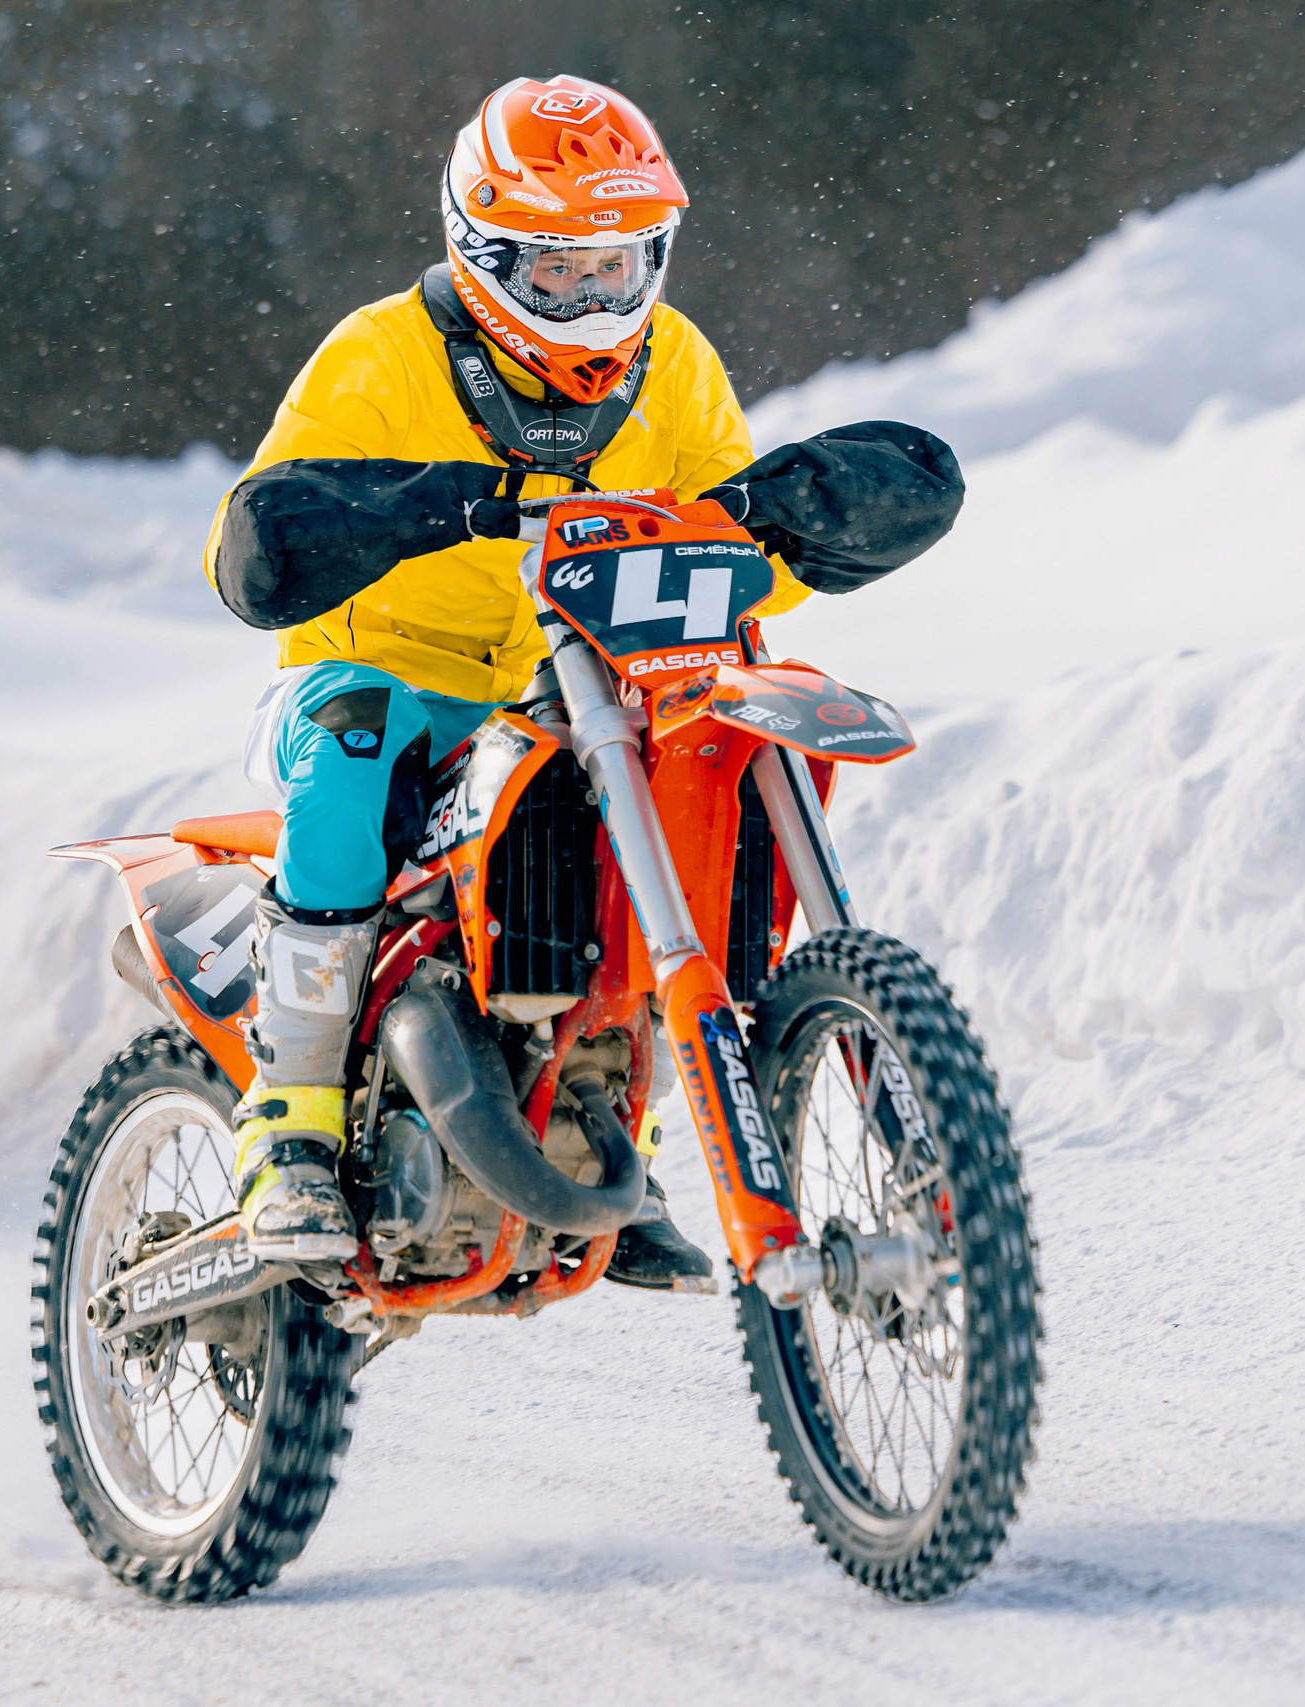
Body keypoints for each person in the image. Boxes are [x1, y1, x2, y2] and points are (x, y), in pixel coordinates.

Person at [204, 76, 961, 1283]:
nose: (594, 298)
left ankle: (619, 1123)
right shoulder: (381, 354)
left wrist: (773, 520)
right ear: (483, 254)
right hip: (391, 680)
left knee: (689, 776)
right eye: (558, 271)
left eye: (617, 266)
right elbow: (254, 544)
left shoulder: (674, 362)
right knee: (353, 739)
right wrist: (432, 506)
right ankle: (289, 1117)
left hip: (588, 692)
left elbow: (724, 553)